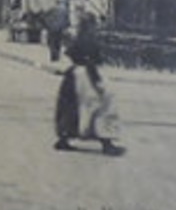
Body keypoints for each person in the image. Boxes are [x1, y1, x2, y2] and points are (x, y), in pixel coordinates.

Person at [54, 12, 125, 155]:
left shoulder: (78, 39)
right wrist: (97, 81)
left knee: (71, 108)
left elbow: (70, 52)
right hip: (85, 76)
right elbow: (90, 62)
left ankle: (64, 138)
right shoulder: (90, 40)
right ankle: (106, 141)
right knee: (100, 106)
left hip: (73, 76)